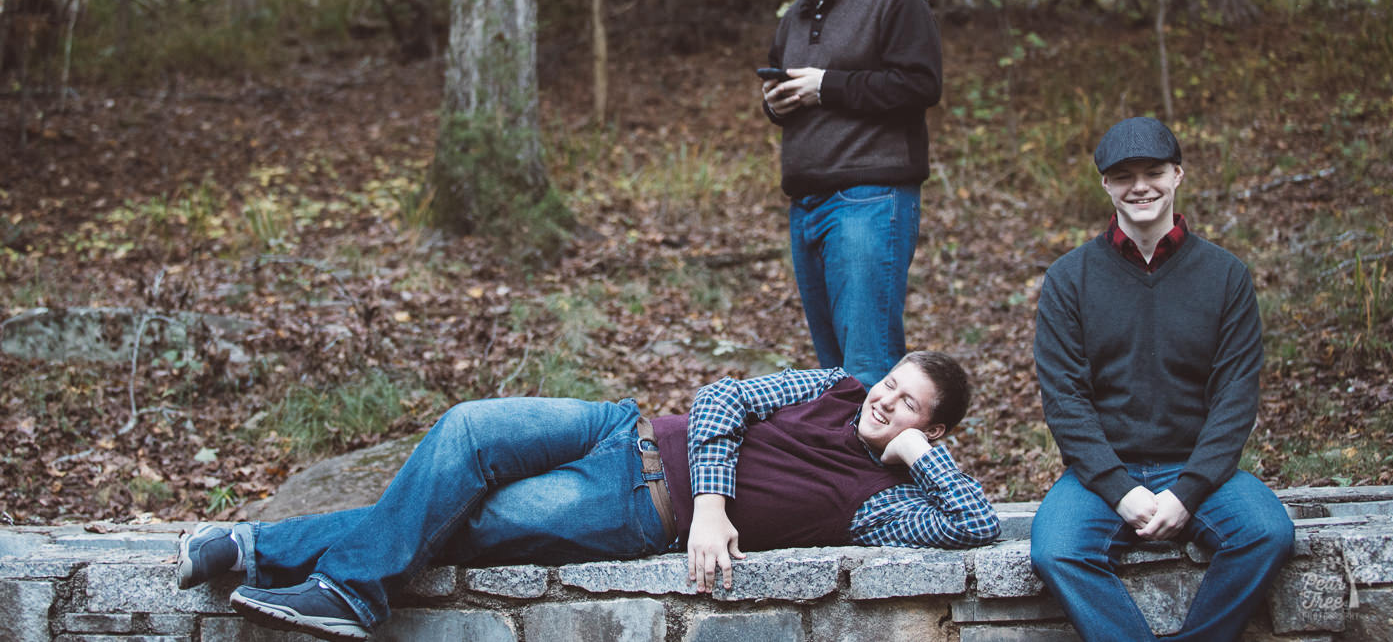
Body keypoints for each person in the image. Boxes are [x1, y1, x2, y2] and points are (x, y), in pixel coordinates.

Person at [176, 351, 999, 641]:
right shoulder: (835, 381)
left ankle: (269, 553)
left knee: (468, 519)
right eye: (893, 384)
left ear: (930, 427)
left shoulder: (879, 497)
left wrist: (919, 454)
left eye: (909, 404)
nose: (886, 400)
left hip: (635, 507)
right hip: (618, 426)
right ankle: (318, 577)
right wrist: (716, 501)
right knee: (467, 426)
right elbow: (720, 397)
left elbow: (974, 524)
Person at [1029, 117, 1295, 642]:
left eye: (1154, 172)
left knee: (1268, 533)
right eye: (1124, 176)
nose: (1140, 187)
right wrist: (1118, 488)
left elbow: (1235, 396)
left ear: (1178, 175)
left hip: (1198, 467)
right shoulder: (1069, 278)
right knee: (1055, 549)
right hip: (1102, 474)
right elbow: (1065, 398)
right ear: (1106, 184)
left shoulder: (1225, 276)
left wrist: (1190, 489)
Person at [759, 0, 944, 388]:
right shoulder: (794, 15)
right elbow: (787, 92)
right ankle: (848, 467)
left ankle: (893, 468)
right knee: (835, 377)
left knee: (870, 368)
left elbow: (921, 85)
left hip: (869, 199)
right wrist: (775, 102)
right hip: (807, 205)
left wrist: (827, 85)